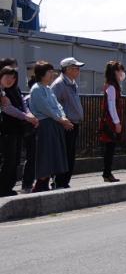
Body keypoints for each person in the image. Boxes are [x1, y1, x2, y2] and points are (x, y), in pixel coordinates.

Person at [28, 61, 73, 192]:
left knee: (53, 155)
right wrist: (62, 120)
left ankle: (45, 183)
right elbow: (46, 109)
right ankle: (40, 184)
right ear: (41, 74)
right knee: (46, 155)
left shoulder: (47, 88)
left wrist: (63, 117)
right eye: (49, 72)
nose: (52, 74)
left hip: (54, 124)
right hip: (45, 124)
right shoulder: (36, 89)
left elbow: (57, 106)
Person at [0, 60, 38, 197]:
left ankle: (7, 187)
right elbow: (8, 109)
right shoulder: (2, 92)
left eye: (13, 76)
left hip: (17, 129)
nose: (10, 79)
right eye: (7, 76)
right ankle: (3, 188)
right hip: (7, 129)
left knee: (15, 160)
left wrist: (29, 115)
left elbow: (22, 104)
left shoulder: (13, 89)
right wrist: (26, 117)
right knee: (8, 160)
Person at [51, 57, 85, 189]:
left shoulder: (72, 83)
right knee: (64, 154)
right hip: (65, 124)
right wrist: (63, 120)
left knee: (70, 154)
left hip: (73, 123)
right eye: (75, 68)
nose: (78, 70)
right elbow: (54, 105)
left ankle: (65, 181)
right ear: (67, 69)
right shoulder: (59, 84)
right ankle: (60, 181)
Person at [99, 61, 125, 182]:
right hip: (110, 123)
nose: (122, 73)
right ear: (114, 72)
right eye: (120, 70)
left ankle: (107, 173)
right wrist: (117, 122)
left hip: (110, 121)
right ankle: (107, 173)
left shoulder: (112, 86)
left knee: (110, 148)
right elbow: (111, 107)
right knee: (109, 148)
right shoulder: (111, 87)